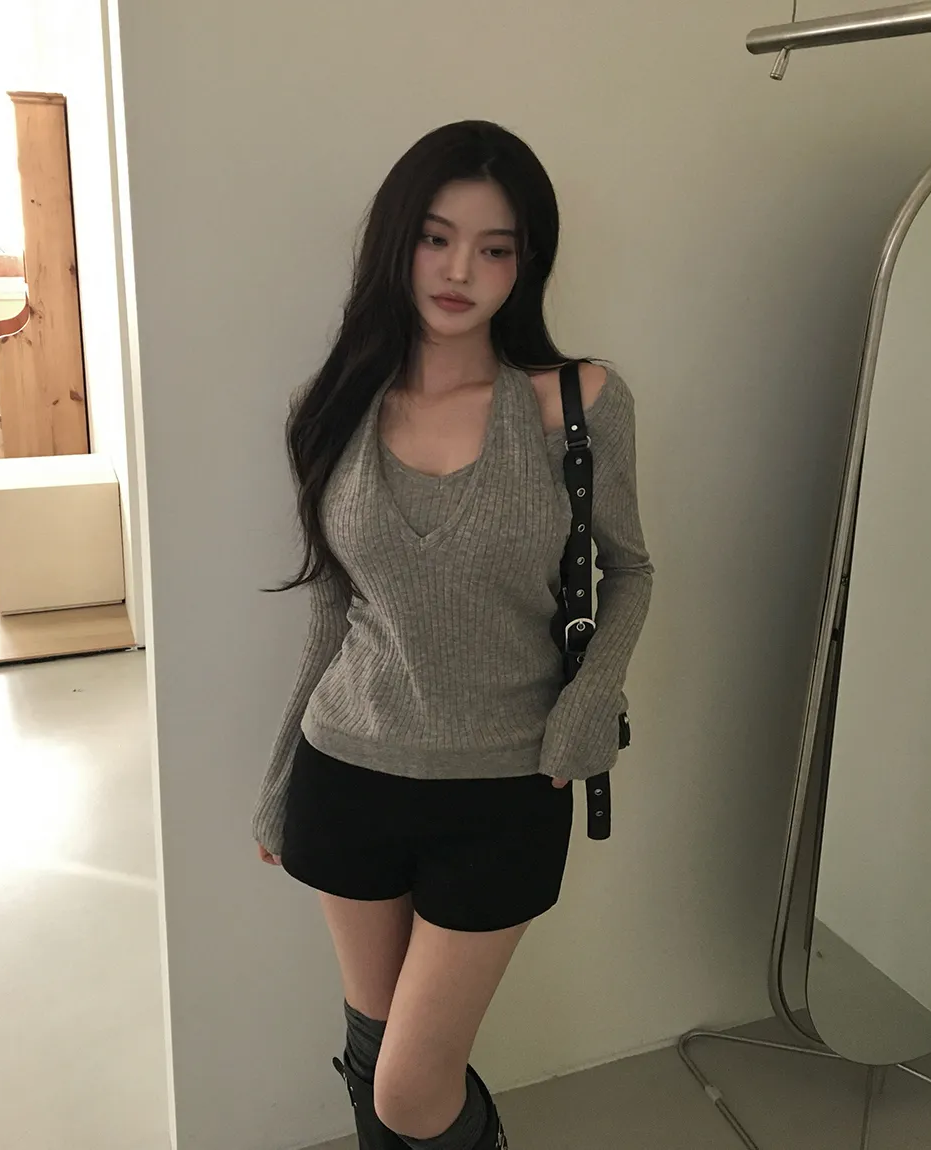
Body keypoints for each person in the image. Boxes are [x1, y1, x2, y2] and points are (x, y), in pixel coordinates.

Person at [253, 120, 653, 1150]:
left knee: (408, 1086)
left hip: (506, 787)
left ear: (527, 263)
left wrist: (588, 704)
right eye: (436, 238)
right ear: (398, 241)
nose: (460, 270)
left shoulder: (578, 406)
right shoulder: (330, 407)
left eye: (495, 247)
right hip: (348, 770)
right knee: (372, 1052)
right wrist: (280, 771)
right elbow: (331, 607)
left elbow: (632, 570)